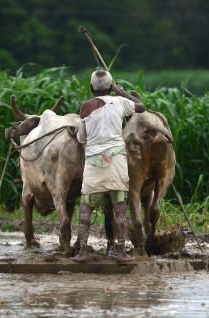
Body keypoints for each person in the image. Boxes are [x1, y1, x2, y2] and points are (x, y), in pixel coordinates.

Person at [68, 70, 146, 263]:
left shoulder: (86, 106)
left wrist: (76, 133)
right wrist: (122, 93)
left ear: (91, 88)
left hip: (94, 161)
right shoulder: (120, 102)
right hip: (116, 160)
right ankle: (121, 252)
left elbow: (82, 138)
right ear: (111, 87)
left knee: (86, 206)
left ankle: (83, 251)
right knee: (119, 206)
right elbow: (141, 107)